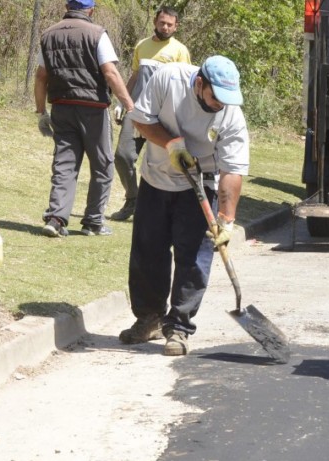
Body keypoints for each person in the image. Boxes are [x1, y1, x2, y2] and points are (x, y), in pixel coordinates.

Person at [118, 56, 249, 356]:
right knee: (147, 252)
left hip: (201, 186)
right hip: (156, 177)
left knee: (193, 259)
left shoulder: (231, 115)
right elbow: (140, 119)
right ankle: (149, 318)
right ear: (200, 84)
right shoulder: (168, 78)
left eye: (226, 101)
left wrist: (226, 220)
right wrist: (172, 144)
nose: (220, 105)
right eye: (215, 98)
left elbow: (232, 170)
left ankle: (178, 327)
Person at [35, 0, 134, 237]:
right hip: (93, 107)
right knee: (102, 163)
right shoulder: (97, 34)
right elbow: (109, 72)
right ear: (90, 10)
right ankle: (92, 221)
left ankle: (56, 218)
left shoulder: (48, 35)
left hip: (61, 106)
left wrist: (41, 113)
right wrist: (128, 104)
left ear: (68, 7)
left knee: (64, 162)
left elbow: (41, 77)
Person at [110, 6, 191, 221]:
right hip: (137, 111)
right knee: (122, 156)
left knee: (167, 163)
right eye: (162, 22)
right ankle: (132, 200)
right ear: (155, 21)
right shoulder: (142, 46)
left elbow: (185, 86)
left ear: (176, 27)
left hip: (165, 117)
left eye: (169, 24)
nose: (165, 27)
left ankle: (168, 209)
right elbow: (135, 77)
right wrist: (121, 101)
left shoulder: (180, 51)